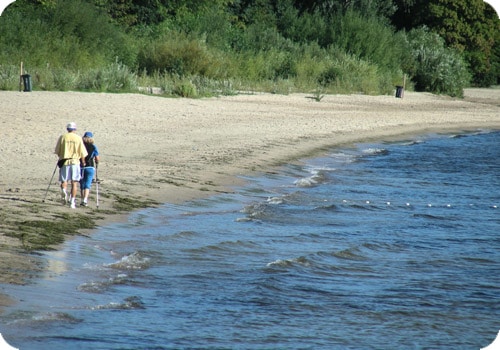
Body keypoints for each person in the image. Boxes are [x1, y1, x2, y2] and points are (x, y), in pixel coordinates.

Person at [54, 122, 88, 209]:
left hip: (64, 161)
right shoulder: (78, 138)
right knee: (74, 183)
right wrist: (83, 162)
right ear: (75, 129)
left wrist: (61, 157)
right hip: (75, 162)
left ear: (67, 129)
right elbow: (82, 152)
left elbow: (57, 151)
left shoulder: (63, 137)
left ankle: (64, 190)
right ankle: (72, 202)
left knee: (64, 180)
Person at [80, 131, 100, 207]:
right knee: (88, 184)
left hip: (81, 167)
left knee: (82, 183)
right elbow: (97, 158)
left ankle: (82, 199)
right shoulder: (93, 147)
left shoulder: (81, 146)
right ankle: (85, 200)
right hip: (90, 167)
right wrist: (97, 162)